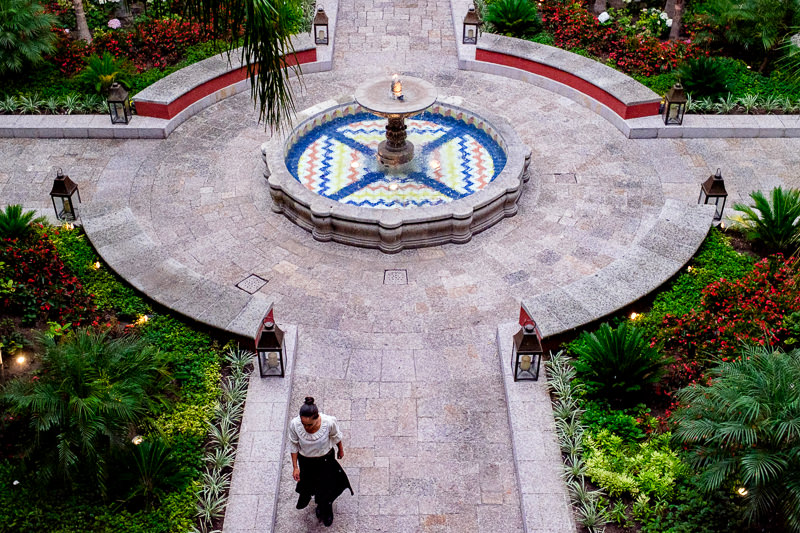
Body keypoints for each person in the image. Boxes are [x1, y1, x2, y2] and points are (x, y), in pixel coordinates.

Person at [288, 396, 353, 527]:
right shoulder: (295, 425)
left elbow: (336, 436)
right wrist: (295, 467)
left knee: (327, 486)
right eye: (303, 424)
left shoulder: (328, 422)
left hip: (325, 460)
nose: (306, 427)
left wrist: (340, 450)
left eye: (309, 424)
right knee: (311, 485)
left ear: (317, 418)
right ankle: (319, 503)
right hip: (306, 462)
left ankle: (326, 507)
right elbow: (294, 446)